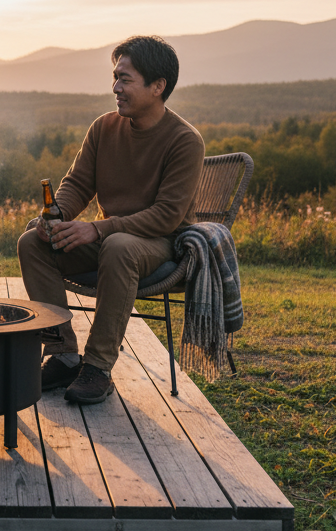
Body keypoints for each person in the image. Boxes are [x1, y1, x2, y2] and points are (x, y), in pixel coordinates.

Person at [17, 35, 204, 404]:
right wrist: (56, 216)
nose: (115, 88)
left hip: (159, 244)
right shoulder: (104, 127)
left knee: (118, 246)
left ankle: (98, 366)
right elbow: (77, 185)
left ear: (157, 86)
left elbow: (166, 216)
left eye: (125, 79)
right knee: (32, 243)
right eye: (114, 78)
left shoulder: (185, 141)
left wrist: (96, 228)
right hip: (111, 237)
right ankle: (62, 353)